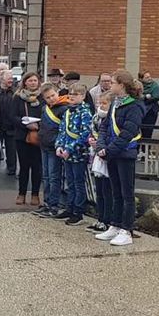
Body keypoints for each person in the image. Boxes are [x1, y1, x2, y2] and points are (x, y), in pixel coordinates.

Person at [95, 70, 145, 247]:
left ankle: (127, 229)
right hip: (111, 154)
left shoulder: (135, 106)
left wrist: (109, 151)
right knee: (115, 191)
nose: (111, 85)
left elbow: (127, 133)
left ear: (122, 85)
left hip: (125, 154)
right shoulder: (115, 102)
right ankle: (115, 225)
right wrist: (101, 147)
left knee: (127, 193)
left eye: (114, 82)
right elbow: (105, 126)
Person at [55, 83, 93, 226]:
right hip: (66, 152)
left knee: (78, 182)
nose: (71, 96)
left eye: (75, 94)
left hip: (78, 153)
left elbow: (84, 134)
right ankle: (69, 207)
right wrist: (59, 146)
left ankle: (78, 211)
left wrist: (70, 149)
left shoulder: (85, 112)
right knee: (69, 182)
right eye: (70, 93)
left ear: (82, 96)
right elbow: (62, 131)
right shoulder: (67, 112)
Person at [35, 83, 71, 218]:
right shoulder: (45, 108)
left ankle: (54, 205)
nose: (51, 99)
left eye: (53, 95)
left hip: (54, 147)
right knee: (46, 176)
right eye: (48, 97)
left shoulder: (64, 109)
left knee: (54, 177)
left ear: (58, 93)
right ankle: (47, 202)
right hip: (44, 145)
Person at [11, 72, 44, 206]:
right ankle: (21, 193)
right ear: (25, 82)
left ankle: (35, 194)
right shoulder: (17, 98)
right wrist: (25, 124)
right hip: (22, 135)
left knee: (37, 166)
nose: (32, 83)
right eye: (30, 81)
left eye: (35, 81)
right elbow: (12, 116)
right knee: (24, 166)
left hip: (38, 135)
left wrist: (38, 125)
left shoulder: (42, 97)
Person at [87, 91, 114, 233]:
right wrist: (91, 140)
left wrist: (100, 144)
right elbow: (91, 131)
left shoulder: (112, 119)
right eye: (99, 103)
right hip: (96, 155)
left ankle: (108, 220)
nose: (100, 106)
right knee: (99, 190)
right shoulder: (96, 117)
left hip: (106, 155)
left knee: (107, 191)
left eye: (104, 103)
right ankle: (100, 218)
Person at [0, 70, 17, 176]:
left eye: (12, 78)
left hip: (11, 125)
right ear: (1, 78)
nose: (11, 80)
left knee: (11, 149)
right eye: (8, 78)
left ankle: (12, 168)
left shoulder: (15, 92)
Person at [139, 71, 159, 138]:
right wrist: (145, 97)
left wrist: (143, 97)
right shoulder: (138, 85)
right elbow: (135, 96)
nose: (149, 78)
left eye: (150, 76)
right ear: (141, 79)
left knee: (148, 132)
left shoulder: (155, 86)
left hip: (151, 111)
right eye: (147, 77)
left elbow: (156, 97)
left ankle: (146, 148)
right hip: (139, 111)